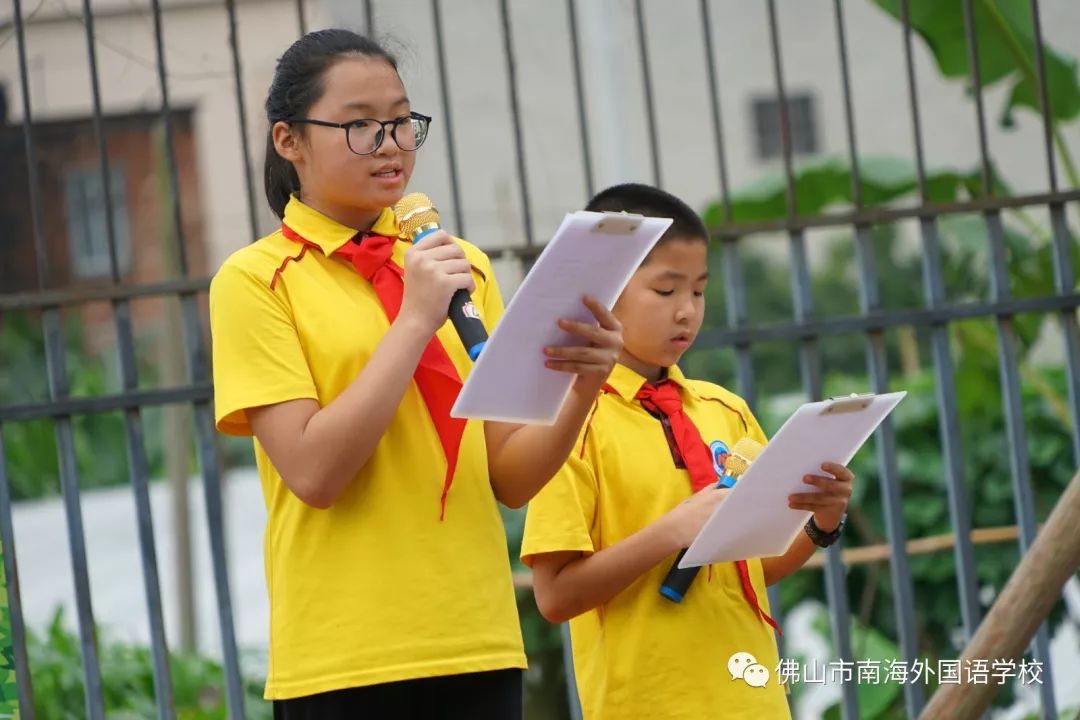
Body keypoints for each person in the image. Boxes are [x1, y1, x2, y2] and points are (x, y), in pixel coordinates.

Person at [209, 29, 622, 719]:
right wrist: (412, 322)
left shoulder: (460, 266)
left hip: (476, 639)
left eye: (401, 121)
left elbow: (509, 479)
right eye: (360, 125)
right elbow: (313, 472)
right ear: (289, 141)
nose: (392, 143)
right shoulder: (256, 281)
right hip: (345, 657)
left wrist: (584, 383)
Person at [521, 183, 855, 720]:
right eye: (666, 291)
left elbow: (748, 569)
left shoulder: (726, 410)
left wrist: (823, 520)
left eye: (698, 292)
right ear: (601, 294)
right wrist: (671, 532)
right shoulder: (570, 426)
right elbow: (555, 597)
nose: (687, 312)